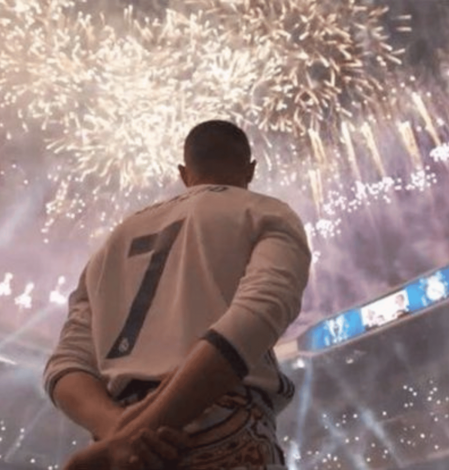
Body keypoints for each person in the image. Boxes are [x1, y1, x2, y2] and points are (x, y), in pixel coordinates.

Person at [43, 120, 312, 470]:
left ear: (184, 173)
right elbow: (257, 316)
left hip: (119, 448)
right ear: (251, 169)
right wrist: (144, 427)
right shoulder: (266, 211)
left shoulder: (115, 240)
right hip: (222, 427)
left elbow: (65, 362)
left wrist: (116, 432)